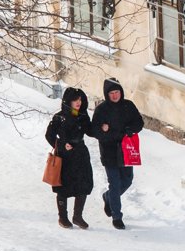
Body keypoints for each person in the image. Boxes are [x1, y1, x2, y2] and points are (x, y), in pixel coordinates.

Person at [91, 78, 144, 230]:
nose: (115, 96)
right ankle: (117, 216)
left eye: (117, 92)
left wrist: (130, 129)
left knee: (127, 180)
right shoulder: (101, 110)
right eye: (111, 93)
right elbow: (94, 131)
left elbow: (139, 122)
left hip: (127, 150)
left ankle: (108, 197)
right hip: (109, 151)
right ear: (107, 95)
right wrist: (103, 130)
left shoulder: (128, 106)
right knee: (115, 184)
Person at [45, 87, 94, 229]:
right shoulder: (59, 117)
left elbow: (89, 130)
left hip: (80, 153)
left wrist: (101, 129)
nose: (78, 102)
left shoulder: (81, 115)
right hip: (65, 156)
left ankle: (78, 216)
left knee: (84, 184)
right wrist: (62, 144)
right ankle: (63, 217)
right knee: (63, 186)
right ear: (68, 101)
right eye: (75, 100)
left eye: (80, 99)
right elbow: (49, 135)